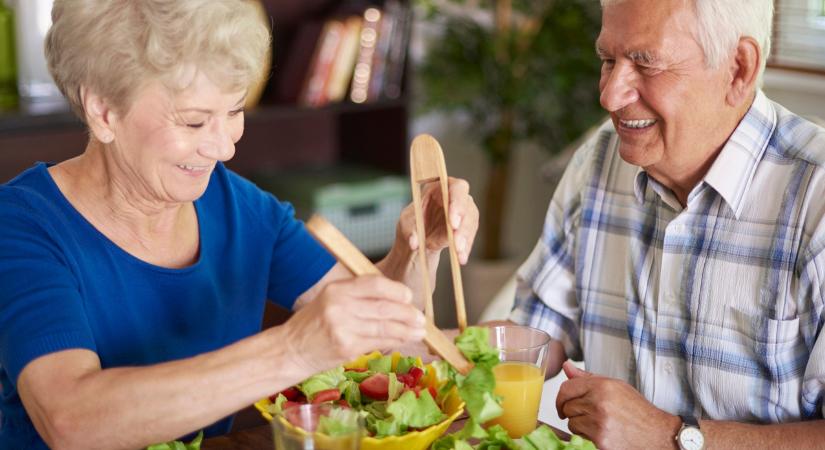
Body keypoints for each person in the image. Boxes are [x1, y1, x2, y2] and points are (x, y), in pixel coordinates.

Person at [0, 1, 479, 449]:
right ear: (103, 111)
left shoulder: (237, 205)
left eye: (233, 112)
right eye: (193, 122)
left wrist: (417, 246)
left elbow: (387, 337)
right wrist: (294, 350)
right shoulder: (23, 224)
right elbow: (70, 420)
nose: (224, 146)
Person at [508, 0, 825, 448]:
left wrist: (670, 436)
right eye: (607, 60)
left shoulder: (817, 198)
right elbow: (539, 332)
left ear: (738, 68)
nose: (610, 95)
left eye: (645, 63)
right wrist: (412, 329)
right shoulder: (598, 160)